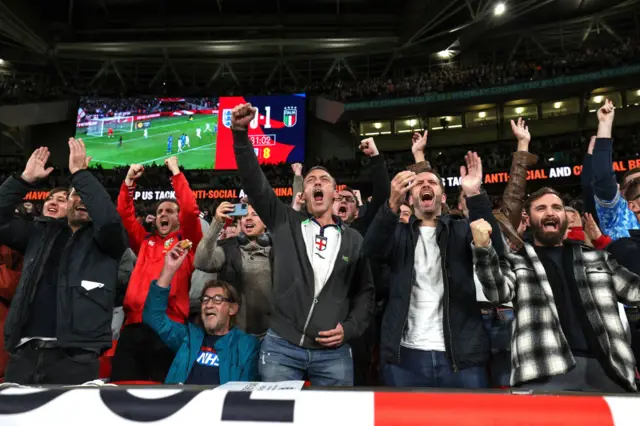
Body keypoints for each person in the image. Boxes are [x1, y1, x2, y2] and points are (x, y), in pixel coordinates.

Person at [230, 103, 374, 386]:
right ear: (304, 193)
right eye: (310, 181)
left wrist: (350, 328)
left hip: (333, 352)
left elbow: (365, 293)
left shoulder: (354, 239)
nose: (317, 183)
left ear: (334, 192)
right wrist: (239, 134)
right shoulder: (285, 221)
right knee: (276, 418)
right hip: (282, 346)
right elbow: (255, 182)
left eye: (324, 180)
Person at [472, 187, 640, 392]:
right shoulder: (516, 261)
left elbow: (634, 291)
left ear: (565, 217)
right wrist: (483, 248)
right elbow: (497, 292)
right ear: (528, 218)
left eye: (556, 207)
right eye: (541, 208)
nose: (550, 213)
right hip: (543, 371)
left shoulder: (597, 258)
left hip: (608, 369)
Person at [363, 153, 504, 389]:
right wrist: (391, 206)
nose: (426, 185)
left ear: (443, 196)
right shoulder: (397, 234)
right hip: (404, 356)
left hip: (462, 355)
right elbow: (368, 258)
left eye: (432, 183)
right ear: (410, 198)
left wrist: (474, 195)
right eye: (419, 183)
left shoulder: (462, 231)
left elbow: (496, 253)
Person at [0, 141, 128, 385]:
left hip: (75, 358)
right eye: (74, 195)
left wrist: (81, 175)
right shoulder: (39, 234)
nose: (81, 199)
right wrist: (23, 179)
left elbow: (109, 220)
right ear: (66, 204)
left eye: (86, 195)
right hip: (25, 354)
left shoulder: (107, 241)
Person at [111, 156, 203, 382]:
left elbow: (190, 211)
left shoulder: (188, 244)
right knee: (120, 390)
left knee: (161, 396)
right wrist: (128, 183)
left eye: (170, 211)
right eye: (160, 211)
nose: (163, 214)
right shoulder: (144, 242)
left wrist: (175, 172)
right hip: (132, 326)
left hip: (167, 327)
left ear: (179, 220)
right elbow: (124, 215)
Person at [143, 244, 260, 385]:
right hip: (180, 404)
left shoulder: (246, 345)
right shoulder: (188, 337)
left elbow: (245, 391)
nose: (209, 305)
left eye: (218, 299)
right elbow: (153, 317)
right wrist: (169, 269)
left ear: (232, 309)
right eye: (205, 299)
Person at [194, 202, 271, 338]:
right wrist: (217, 222)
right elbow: (201, 261)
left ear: (265, 223)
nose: (248, 218)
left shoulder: (279, 249)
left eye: (255, 215)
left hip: (271, 336)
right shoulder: (227, 247)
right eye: (244, 215)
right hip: (235, 334)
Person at [591, 99, 640, 240]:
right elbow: (603, 177)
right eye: (634, 183)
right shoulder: (616, 212)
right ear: (622, 193)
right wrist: (605, 125)